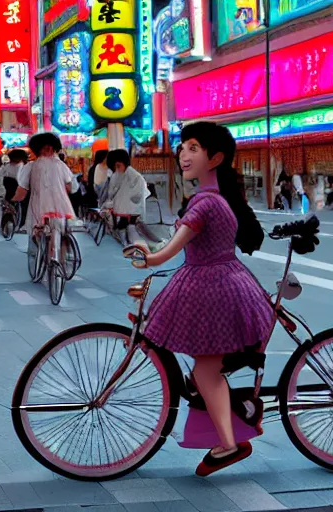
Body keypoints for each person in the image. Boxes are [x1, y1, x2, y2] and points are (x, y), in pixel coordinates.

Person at [127, 122, 270, 476]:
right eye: (183, 147)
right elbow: (175, 244)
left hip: (213, 288)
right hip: (223, 282)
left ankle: (229, 445)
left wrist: (146, 256)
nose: (183, 155)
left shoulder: (205, 203)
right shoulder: (213, 199)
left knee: (207, 371)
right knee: (205, 366)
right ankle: (225, 425)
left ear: (215, 157)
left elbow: (167, 253)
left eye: (193, 148)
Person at [12, 133, 75, 238]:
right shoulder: (61, 166)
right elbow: (70, 187)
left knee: (38, 236)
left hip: (38, 209)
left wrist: (13, 201)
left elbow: (22, 191)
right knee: (61, 234)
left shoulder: (31, 166)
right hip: (61, 210)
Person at [102, 149, 149, 245]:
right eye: (115, 167)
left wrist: (109, 203)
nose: (116, 169)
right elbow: (112, 194)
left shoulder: (134, 177)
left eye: (118, 166)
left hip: (132, 210)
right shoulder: (119, 175)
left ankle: (126, 239)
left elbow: (131, 197)